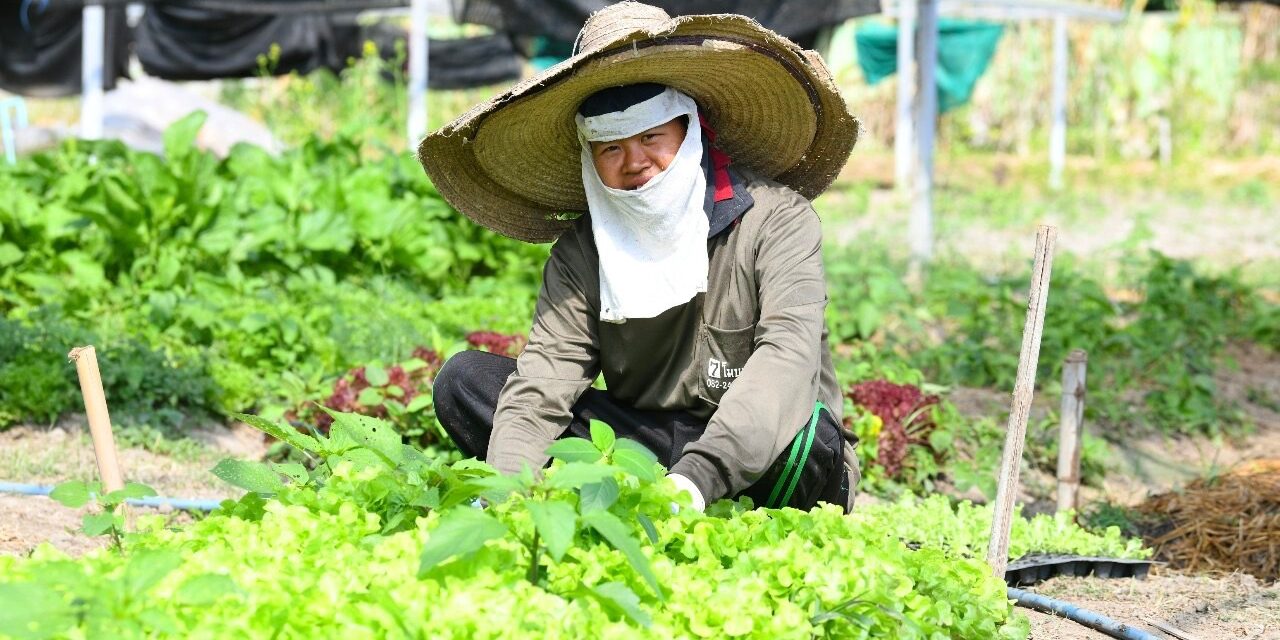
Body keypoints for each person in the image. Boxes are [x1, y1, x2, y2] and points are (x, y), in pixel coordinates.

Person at [419, 1, 862, 513]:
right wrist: (505, 488)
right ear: (589, 158)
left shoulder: (777, 220)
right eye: (610, 147)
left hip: (771, 453)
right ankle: (621, 498)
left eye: (652, 136)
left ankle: (656, 494)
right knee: (468, 383)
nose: (635, 162)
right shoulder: (583, 251)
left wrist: (697, 479)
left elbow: (787, 359)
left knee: (799, 431)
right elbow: (545, 379)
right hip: (645, 445)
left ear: (692, 131)